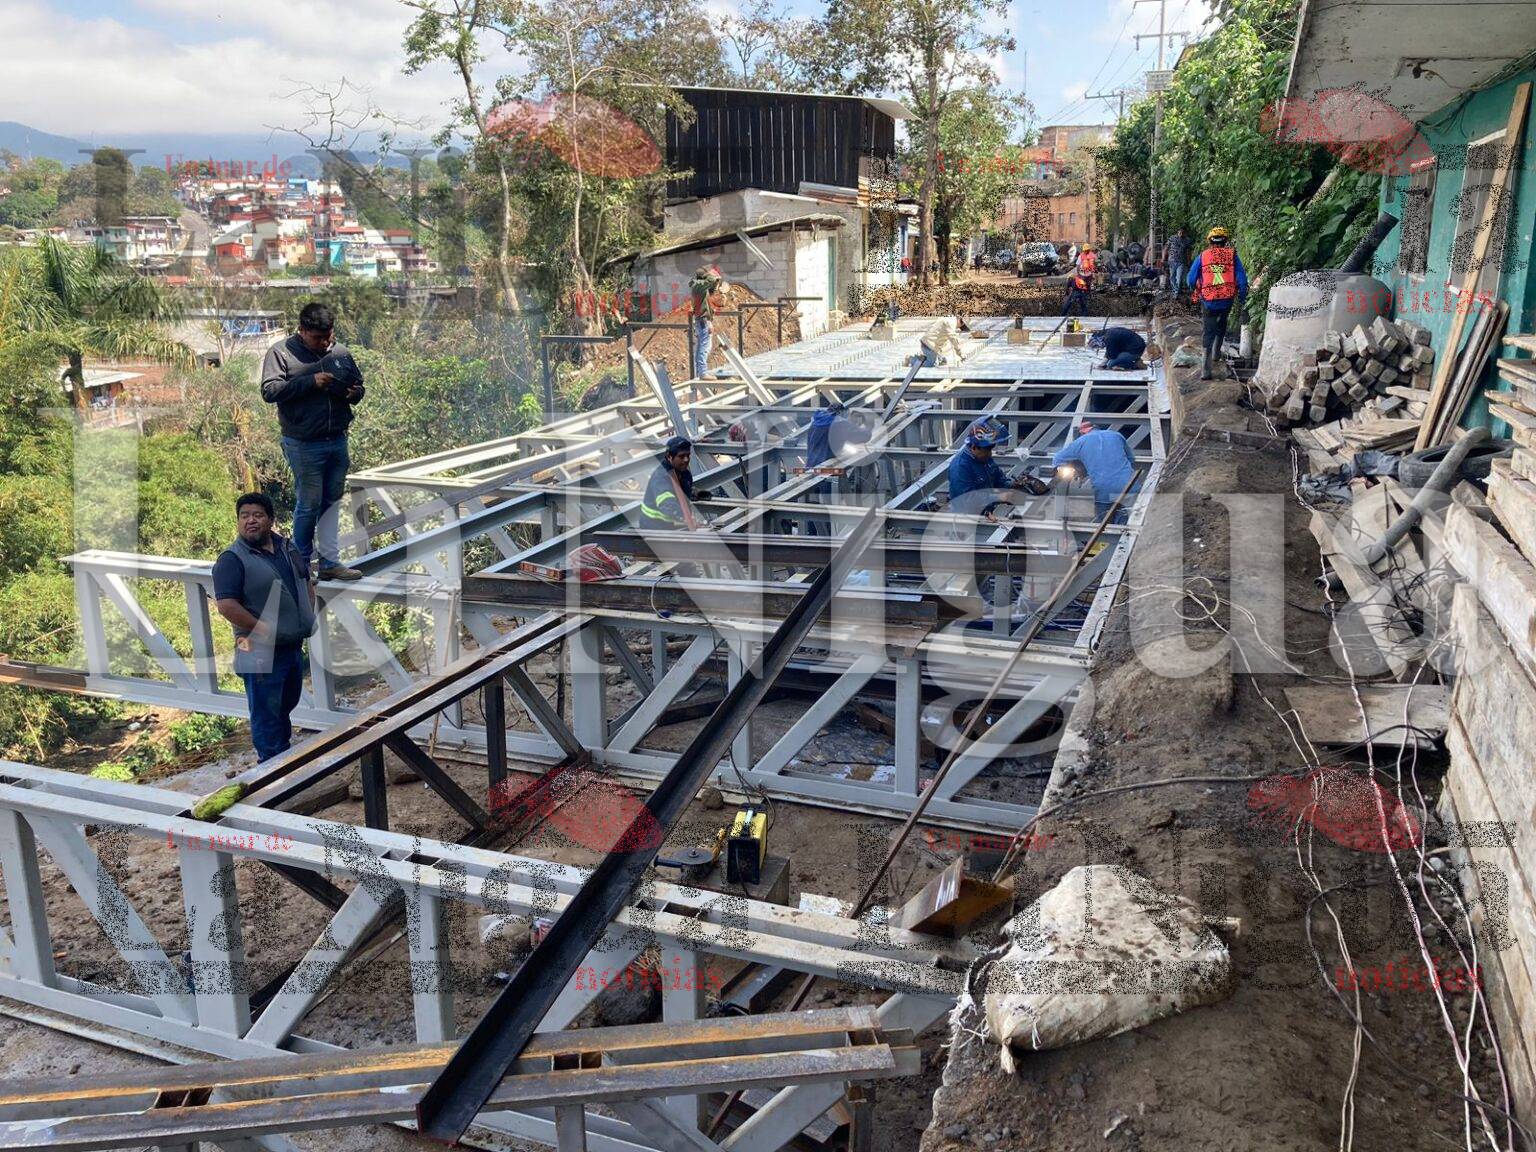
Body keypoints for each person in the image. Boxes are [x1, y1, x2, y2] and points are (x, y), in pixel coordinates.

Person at [260, 302, 365, 581]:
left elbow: (359, 386)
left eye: (328, 336)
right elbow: (270, 391)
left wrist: (353, 393)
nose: (325, 342)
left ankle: (329, 562)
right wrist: (311, 382)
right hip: (303, 443)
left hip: (337, 438)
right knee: (309, 504)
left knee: (332, 503)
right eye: (318, 338)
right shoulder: (281, 353)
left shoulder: (340, 353)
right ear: (302, 330)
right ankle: (301, 567)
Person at [213, 493, 316, 762]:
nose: (250, 521)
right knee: (265, 715)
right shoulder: (231, 560)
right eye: (244, 516)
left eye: (257, 515)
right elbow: (226, 605)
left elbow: (306, 580)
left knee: (284, 707)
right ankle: (272, 768)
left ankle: (283, 762)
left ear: (270, 519)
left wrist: (307, 613)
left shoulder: (288, 548)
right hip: (257, 650)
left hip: (291, 644)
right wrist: (262, 629)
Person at [1187, 227, 1249, 381]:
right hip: (1227, 299)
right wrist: (1242, 296)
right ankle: (1216, 354)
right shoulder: (1232, 255)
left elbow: (1191, 279)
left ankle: (1206, 370)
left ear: (1210, 241)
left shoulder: (1203, 256)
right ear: (1225, 241)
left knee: (1208, 330)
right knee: (1222, 325)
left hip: (1208, 300)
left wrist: (1196, 289)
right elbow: (1242, 279)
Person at [1052, 420, 1137, 522]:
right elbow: (1131, 460)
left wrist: (1077, 468)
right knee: (1128, 522)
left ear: (1082, 433)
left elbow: (1057, 460)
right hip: (1130, 487)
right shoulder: (1117, 435)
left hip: (1104, 492)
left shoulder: (1080, 442)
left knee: (1104, 524)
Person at [641, 435, 699, 528]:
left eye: (688, 455)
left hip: (673, 523)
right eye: (681, 456)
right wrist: (686, 518)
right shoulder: (660, 477)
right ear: (669, 457)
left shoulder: (684, 473)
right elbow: (667, 504)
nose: (686, 460)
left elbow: (682, 493)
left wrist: (695, 493)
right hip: (653, 526)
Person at [689, 266, 726, 380]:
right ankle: (703, 373)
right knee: (704, 348)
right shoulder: (699, 286)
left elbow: (708, 294)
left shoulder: (697, 287)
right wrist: (712, 275)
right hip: (703, 321)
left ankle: (699, 372)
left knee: (701, 347)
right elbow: (710, 280)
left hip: (701, 320)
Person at [1164, 227, 1191, 295]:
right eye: (1180, 232)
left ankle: (1177, 292)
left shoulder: (1187, 240)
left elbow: (1188, 252)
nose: (1181, 234)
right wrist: (1163, 258)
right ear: (1177, 232)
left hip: (1181, 261)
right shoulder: (1172, 238)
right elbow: (1166, 248)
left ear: (1185, 233)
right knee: (1172, 277)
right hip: (1172, 261)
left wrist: (1189, 261)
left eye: (1183, 233)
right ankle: (1175, 290)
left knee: (1179, 277)